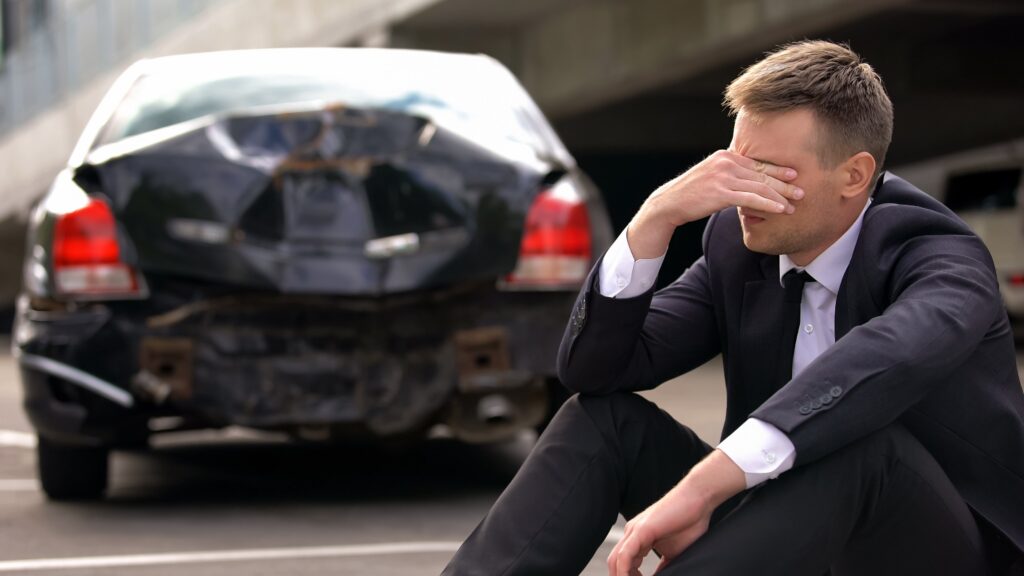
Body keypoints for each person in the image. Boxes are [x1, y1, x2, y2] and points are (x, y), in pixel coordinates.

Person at [441, 40, 1024, 576]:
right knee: (602, 422)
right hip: (783, 529)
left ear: (854, 175)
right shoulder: (738, 246)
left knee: (862, 445)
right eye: (736, 163)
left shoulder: (941, 256)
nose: (742, 189)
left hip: (931, 552)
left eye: (768, 170)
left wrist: (704, 486)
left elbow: (882, 360)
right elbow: (595, 370)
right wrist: (654, 217)